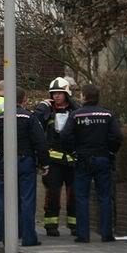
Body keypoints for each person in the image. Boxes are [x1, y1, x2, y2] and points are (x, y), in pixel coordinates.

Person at [0, 87, 50, 247]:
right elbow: (40, 142)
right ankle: (28, 238)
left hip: (5, 162)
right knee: (27, 200)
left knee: (6, 199)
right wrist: (44, 163)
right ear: (24, 100)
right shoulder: (30, 118)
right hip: (25, 161)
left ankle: (8, 237)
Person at [60, 84, 123, 243]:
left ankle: (83, 234)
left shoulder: (75, 115)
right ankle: (107, 234)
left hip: (83, 159)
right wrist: (110, 152)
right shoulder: (107, 115)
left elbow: (66, 136)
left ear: (84, 97)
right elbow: (117, 137)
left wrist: (74, 152)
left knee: (82, 196)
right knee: (105, 196)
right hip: (103, 158)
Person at [34, 77, 80, 237]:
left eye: (60, 93)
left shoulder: (75, 110)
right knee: (53, 193)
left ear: (66, 94)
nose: (56, 97)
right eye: (54, 94)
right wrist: (41, 107)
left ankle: (75, 225)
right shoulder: (47, 110)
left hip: (72, 160)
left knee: (74, 193)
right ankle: (51, 225)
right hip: (53, 160)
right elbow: (35, 125)